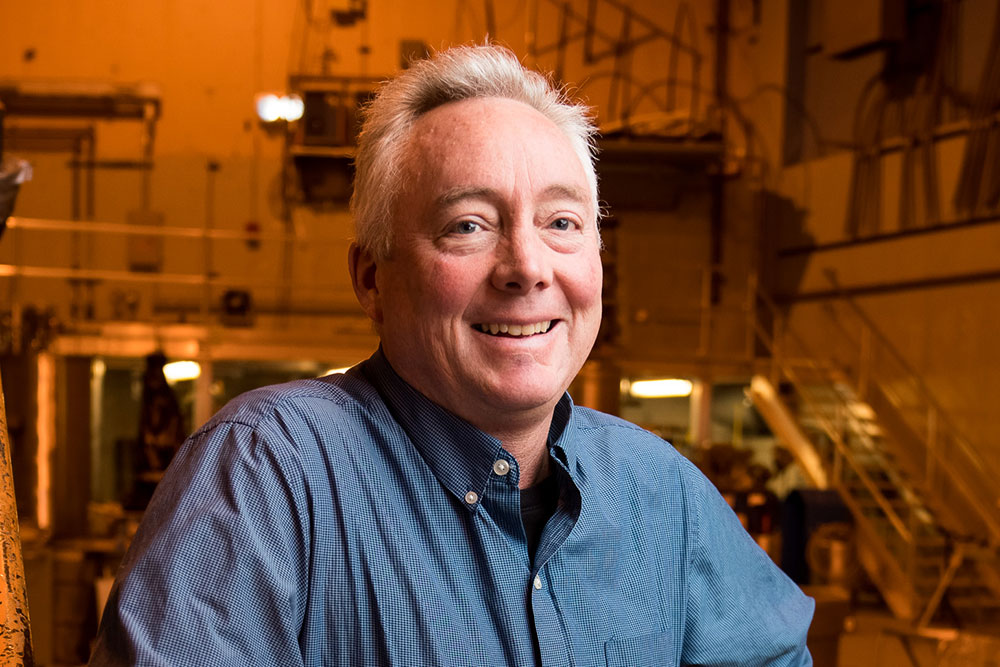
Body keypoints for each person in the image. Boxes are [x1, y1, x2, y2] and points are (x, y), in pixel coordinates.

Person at [91, 45, 813, 666]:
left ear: (597, 258)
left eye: (562, 221)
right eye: (468, 225)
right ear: (373, 277)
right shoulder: (269, 475)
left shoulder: (663, 493)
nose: (527, 266)